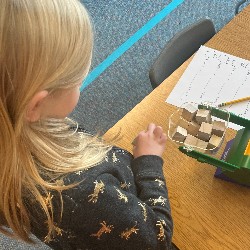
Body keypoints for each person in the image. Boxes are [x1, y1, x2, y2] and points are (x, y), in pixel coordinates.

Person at [0, 0, 175, 249]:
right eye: (77, 79)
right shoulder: (85, 193)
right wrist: (148, 162)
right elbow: (156, 239)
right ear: (36, 105)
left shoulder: (24, 132)